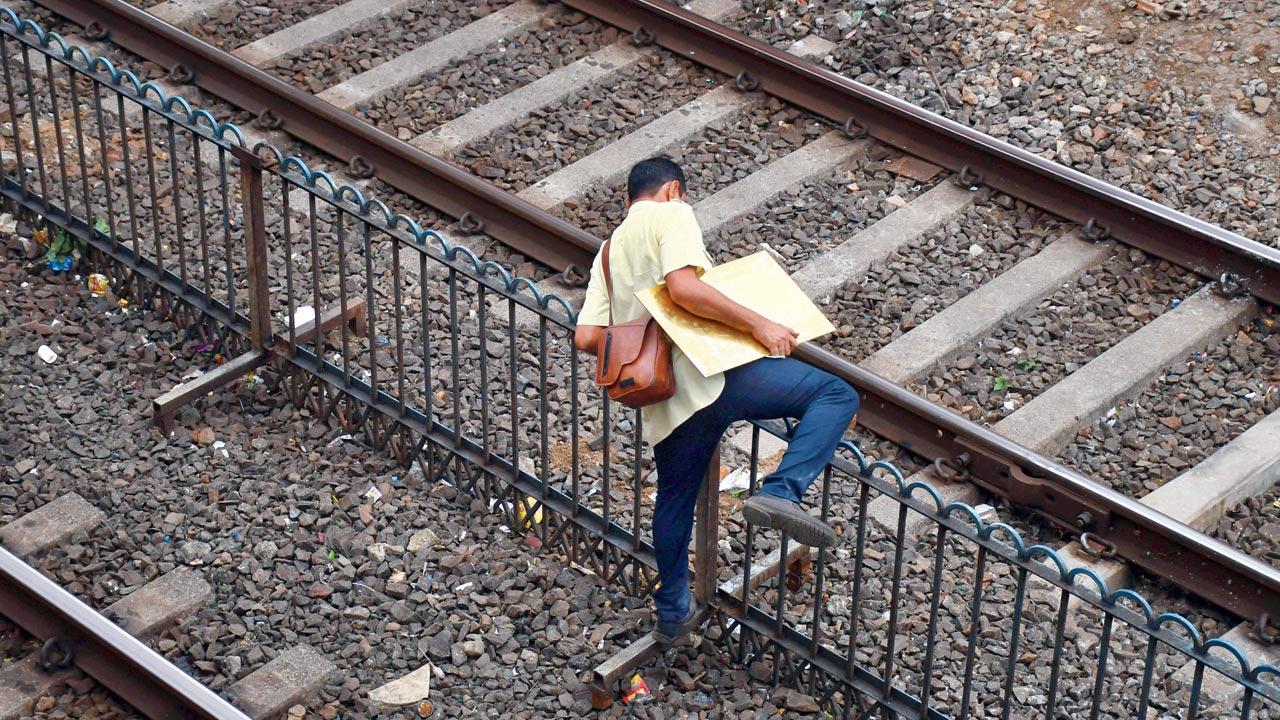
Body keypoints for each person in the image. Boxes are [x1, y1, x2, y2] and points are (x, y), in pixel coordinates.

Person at [574, 156, 859, 644]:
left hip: (665, 401)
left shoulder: (608, 250)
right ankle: (781, 491)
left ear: (628, 201)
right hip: (712, 377)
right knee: (835, 393)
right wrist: (758, 323)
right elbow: (684, 289)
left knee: (675, 500)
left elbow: (586, 336)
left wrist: (646, 339)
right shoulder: (674, 212)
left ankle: (672, 613)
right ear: (673, 189)